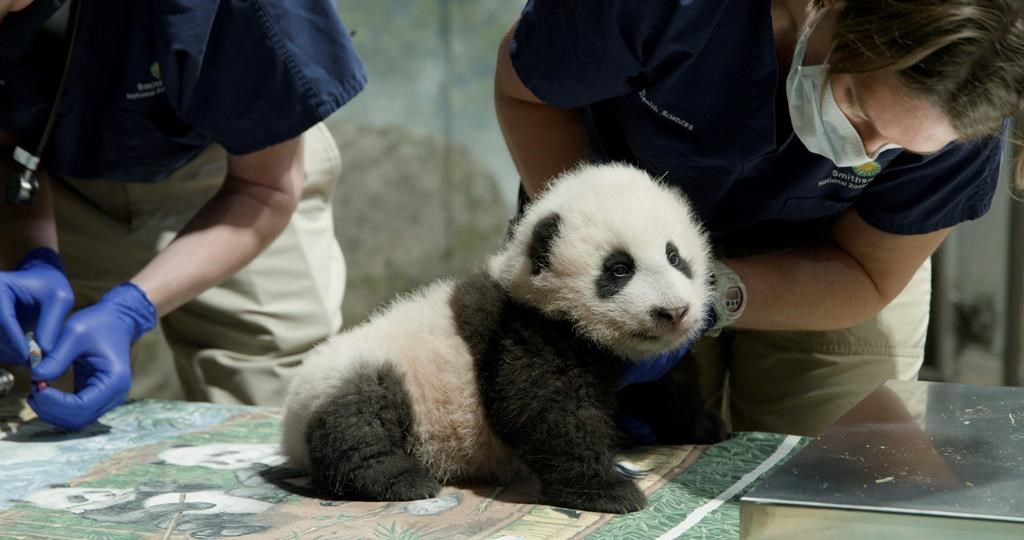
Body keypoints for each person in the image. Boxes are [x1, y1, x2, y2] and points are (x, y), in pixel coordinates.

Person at [495, 0, 1024, 436]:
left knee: (831, 490)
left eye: (900, 149)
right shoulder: (667, 11)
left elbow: (867, 271)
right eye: (858, 108)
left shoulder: (968, 112)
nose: (864, 153)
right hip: (626, 246)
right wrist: (600, 252)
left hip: (829, 267)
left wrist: (708, 295)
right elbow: (529, 94)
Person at [0, 0, 366, 430]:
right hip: (58, 178)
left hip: (240, 168)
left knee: (281, 417)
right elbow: (7, 148)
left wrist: (131, 309)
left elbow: (265, 188)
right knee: (38, 409)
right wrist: (33, 255)